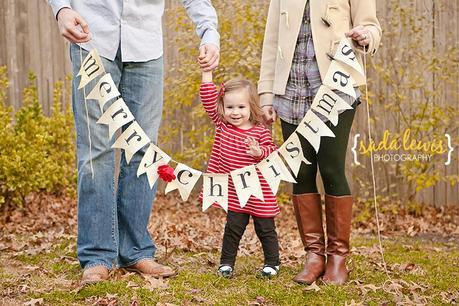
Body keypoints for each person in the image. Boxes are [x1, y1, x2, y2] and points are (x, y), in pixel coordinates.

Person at [48, 0, 220, 285]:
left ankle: (135, 249)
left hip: (146, 46)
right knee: (95, 150)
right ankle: (97, 255)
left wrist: (209, 33)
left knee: (143, 151)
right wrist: (62, 9)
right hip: (92, 42)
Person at [259, 0, 381, 285]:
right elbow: (271, 39)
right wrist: (266, 94)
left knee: (331, 169)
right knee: (300, 171)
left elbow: (372, 27)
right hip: (291, 91)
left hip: (334, 89)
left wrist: (366, 36)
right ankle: (314, 256)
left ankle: (338, 258)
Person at [200, 70, 280, 278]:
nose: (235, 112)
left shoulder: (260, 131)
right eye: (230, 107)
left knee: (265, 228)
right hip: (234, 192)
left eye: (241, 107)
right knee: (233, 228)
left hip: (259, 190)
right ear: (223, 108)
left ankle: (272, 262)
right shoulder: (223, 127)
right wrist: (207, 74)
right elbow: (208, 99)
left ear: (251, 106)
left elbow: (273, 153)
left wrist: (259, 152)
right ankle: (226, 264)